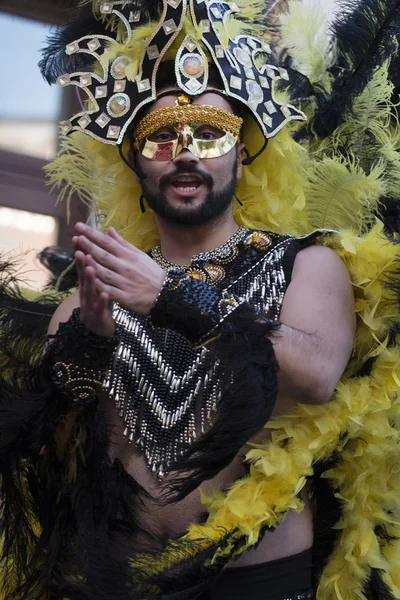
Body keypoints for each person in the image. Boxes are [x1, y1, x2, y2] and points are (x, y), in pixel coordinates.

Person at [0, 1, 399, 599]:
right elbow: (43, 425)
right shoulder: (106, 280)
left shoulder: (305, 265)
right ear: (134, 161)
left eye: (210, 135)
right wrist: (92, 338)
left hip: (256, 579)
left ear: (242, 152)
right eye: (161, 139)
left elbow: (316, 374)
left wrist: (173, 300)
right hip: (113, 579)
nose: (186, 152)